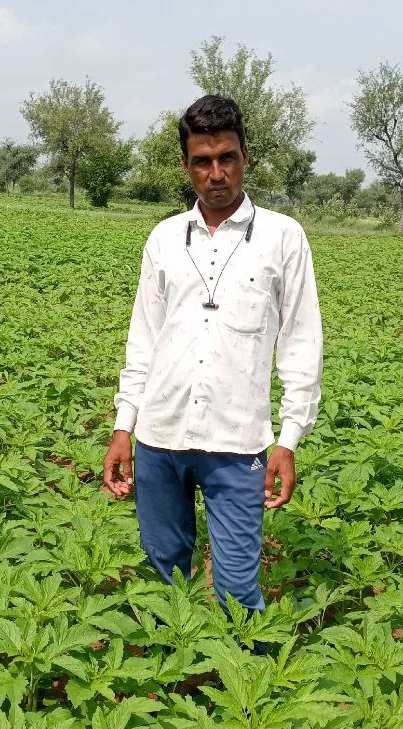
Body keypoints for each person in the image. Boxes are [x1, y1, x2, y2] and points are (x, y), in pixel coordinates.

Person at [103, 94, 323, 626]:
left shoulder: (283, 237)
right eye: (203, 161)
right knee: (165, 571)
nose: (216, 173)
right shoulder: (163, 238)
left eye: (227, 157)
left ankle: (244, 683)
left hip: (237, 442)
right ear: (186, 165)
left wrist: (289, 440)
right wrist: (123, 427)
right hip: (160, 436)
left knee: (236, 587)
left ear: (246, 156)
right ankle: (170, 682)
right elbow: (143, 340)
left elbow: (300, 342)